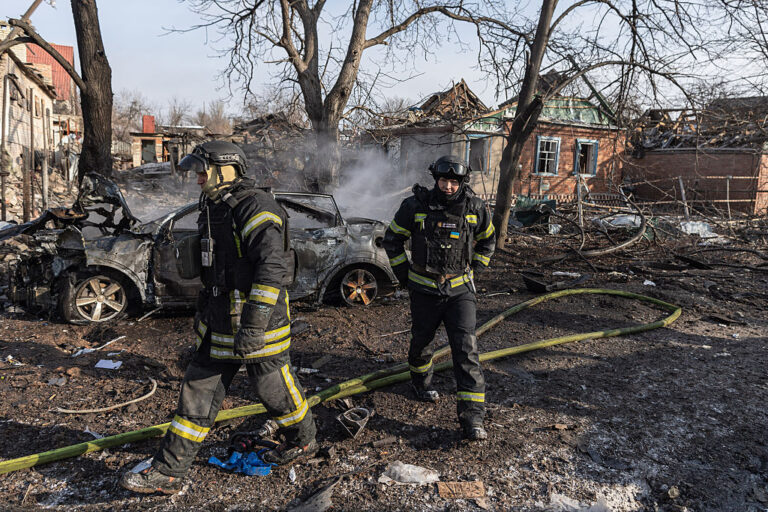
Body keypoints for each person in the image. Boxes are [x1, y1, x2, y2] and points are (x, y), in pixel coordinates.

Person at [120, 141, 317, 494]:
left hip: (259, 324)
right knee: (196, 392)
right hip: (218, 322)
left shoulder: (256, 206)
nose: (197, 178)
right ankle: (169, 471)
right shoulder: (213, 206)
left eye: (201, 171)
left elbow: (272, 269)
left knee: (273, 390)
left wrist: (254, 327)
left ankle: (302, 440)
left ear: (225, 169)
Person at [383, 155, 496, 441]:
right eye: (443, 180)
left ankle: (472, 418)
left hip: (460, 293)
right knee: (421, 341)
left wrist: (478, 268)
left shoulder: (475, 208)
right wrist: (404, 276)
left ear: (461, 182)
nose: (448, 186)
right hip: (423, 290)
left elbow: (489, 239)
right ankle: (421, 383)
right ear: (436, 179)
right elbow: (392, 239)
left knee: (466, 349)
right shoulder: (415, 206)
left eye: (453, 182)